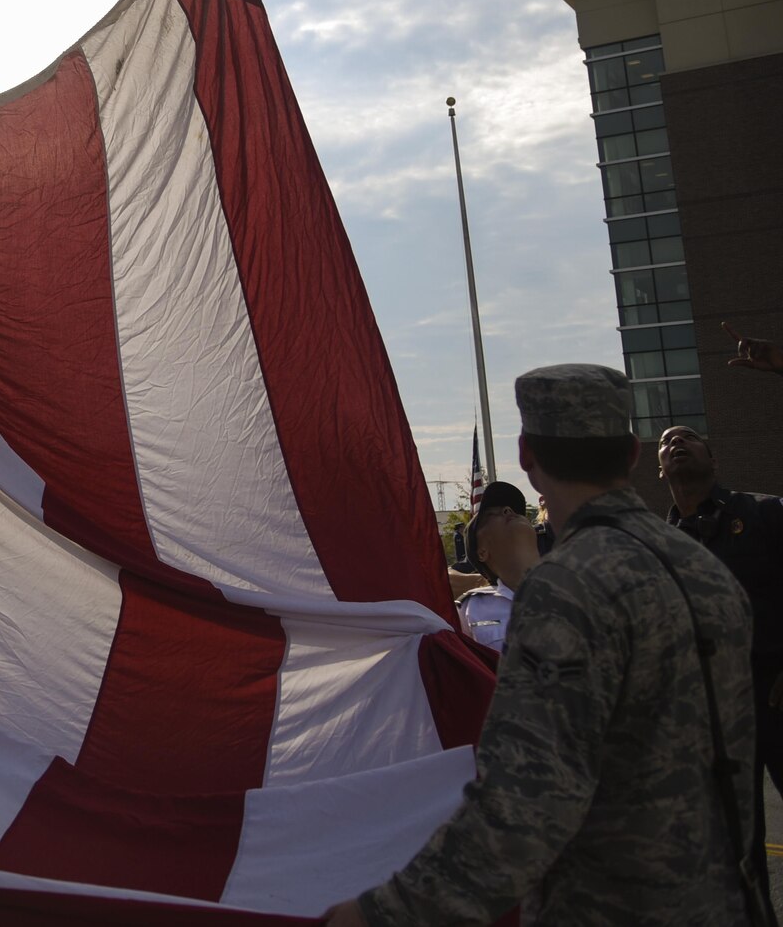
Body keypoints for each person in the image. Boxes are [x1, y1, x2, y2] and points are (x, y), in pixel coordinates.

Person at [325, 363, 761, 927]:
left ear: (528, 457)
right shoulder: (706, 570)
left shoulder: (565, 588)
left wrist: (379, 914)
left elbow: (522, 810)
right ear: (631, 453)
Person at [661, 422, 783, 807]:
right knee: (734, 845)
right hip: (710, 715)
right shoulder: (656, 546)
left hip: (776, 695)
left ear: (713, 459)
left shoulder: (767, 512)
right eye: (665, 442)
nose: (676, 441)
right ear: (660, 469)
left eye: (689, 437)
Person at [454, 480, 541, 652]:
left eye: (512, 509)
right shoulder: (469, 610)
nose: (508, 511)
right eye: (491, 515)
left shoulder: (580, 586)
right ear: (482, 552)